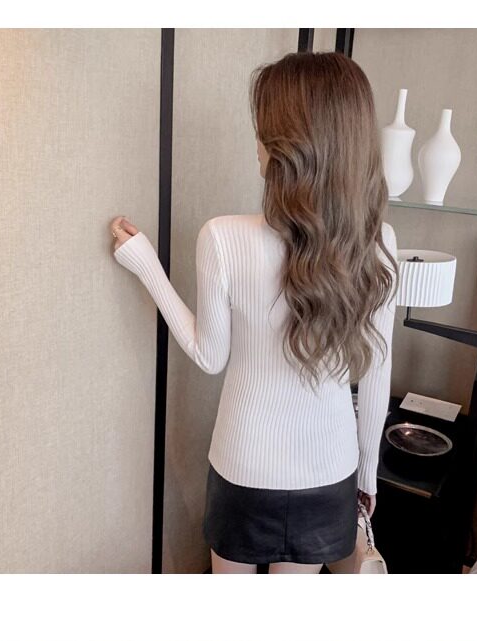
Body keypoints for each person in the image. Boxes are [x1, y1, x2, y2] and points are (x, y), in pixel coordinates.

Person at [110, 51, 399, 574]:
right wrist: (367, 476)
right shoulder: (378, 243)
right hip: (330, 472)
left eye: (264, 132)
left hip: (244, 464)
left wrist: (146, 264)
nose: (257, 145)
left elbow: (209, 356)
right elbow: (378, 374)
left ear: (288, 148)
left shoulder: (222, 237)